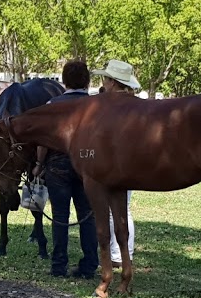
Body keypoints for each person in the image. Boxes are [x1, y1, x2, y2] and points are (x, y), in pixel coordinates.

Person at [32, 60, 98, 278]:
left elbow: (43, 140)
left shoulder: (53, 105)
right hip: (87, 164)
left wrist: (39, 165)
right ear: (87, 80)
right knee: (87, 216)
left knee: (60, 216)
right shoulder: (97, 106)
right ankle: (89, 265)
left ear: (64, 80)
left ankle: (58, 265)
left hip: (57, 165)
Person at [93, 59, 139, 267]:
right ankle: (122, 254)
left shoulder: (109, 105)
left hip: (113, 162)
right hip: (130, 160)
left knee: (115, 210)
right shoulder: (133, 103)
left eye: (106, 79)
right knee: (123, 209)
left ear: (112, 81)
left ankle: (118, 255)